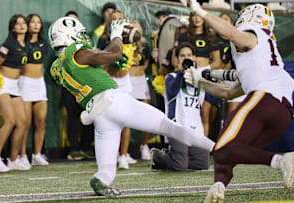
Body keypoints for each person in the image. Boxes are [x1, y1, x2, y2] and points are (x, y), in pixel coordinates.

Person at [48, 16, 214, 196]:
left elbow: (91, 69)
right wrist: (117, 34)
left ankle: (101, 180)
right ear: (70, 35)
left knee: (106, 169)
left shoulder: (56, 67)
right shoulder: (77, 53)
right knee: (169, 127)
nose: (83, 37)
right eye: (79, 33)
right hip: (115, 101)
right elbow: (114, 54)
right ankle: (218, 148)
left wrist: (114, 52)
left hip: (99, 113)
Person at [180, 2, 294, 202]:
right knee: (230, 151)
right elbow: (229, 92)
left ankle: (280, 161)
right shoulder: (264, 50)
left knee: (221, 147)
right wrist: (200, 83)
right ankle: (219, 186)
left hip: (265, 98)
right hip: (282, 112)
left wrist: (200, 11)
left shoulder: (251, 32)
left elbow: (232, 34)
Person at [151, 42, 209, 171]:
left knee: (202, 164)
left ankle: (176, 155)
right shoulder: (171, 77)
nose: (186, 58)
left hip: (195, 127)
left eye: (189, 55)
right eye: (182, 56)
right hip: (176, 126)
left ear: (194, 57)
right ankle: (158, 156)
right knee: (179, 166)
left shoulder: (200, 80)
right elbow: (173, 90)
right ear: (177, 60)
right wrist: (182, 72)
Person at [0, 14, 30, 172]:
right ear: (13, 28)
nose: (21, 25)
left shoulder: (26, 46)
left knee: (22, 123)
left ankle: (13, 159)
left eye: (23, 23)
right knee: (10, 121)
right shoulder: (8, 44)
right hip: (1, 84)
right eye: (17, 24)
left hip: (14, 86)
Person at [172, 12, 223, 139]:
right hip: (188, 78)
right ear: (190, 18)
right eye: (193, 16)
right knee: (193, 112)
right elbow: (174, 60)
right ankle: (190, 142)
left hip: (206, 78)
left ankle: (202, 145)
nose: (197, 18)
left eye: (199, 15)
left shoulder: (211, 37)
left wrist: (203, 70)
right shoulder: (183, 36)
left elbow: (217, 62)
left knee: (205, 113)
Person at [97, 10, 137, 169]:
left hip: (125, 82)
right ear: (109, 22)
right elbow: (99, 61)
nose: (118, 21)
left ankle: (123, 155)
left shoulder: (132, 38)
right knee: (108, 121)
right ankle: (109, 156)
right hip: (110, 82)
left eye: (121, 18)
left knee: (126, 121)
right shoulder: (104, 39)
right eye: (114, 19)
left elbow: (136, 59)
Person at [60, 11, 95, 161]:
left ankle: (86, 147)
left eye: (75, 20)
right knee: (73, 116)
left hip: (86, 84)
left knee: (88, 116)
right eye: (69, 21)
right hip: (70, 84)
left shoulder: (86, 38)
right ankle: (74, 149)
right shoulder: (60, 39)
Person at [18, 13, 49, 167]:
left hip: (40, 84)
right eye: (33, 22)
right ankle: (22, 155)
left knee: (41, 122)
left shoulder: (44, 43)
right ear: (28, 24)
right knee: (25, 122)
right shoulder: (22, 43)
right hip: (25, 83)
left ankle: (37, 155)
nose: (36, 25)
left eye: (39, 22)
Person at [128, 20, 152, 160]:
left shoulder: (145, 45)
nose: (134, 28)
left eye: (136, 25)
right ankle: (124, 151)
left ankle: (144, 145)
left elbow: (145, 64)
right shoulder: (124, 44)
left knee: (146, 113)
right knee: (125, 116)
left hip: (141, 80)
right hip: (128, 81)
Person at [216, 12, 246, 114]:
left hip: (246, 80)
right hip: (228, 80)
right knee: (232, 116)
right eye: (221, 20)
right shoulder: (213, 40)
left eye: (226, 19)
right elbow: (223, 66)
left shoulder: (244, 40)